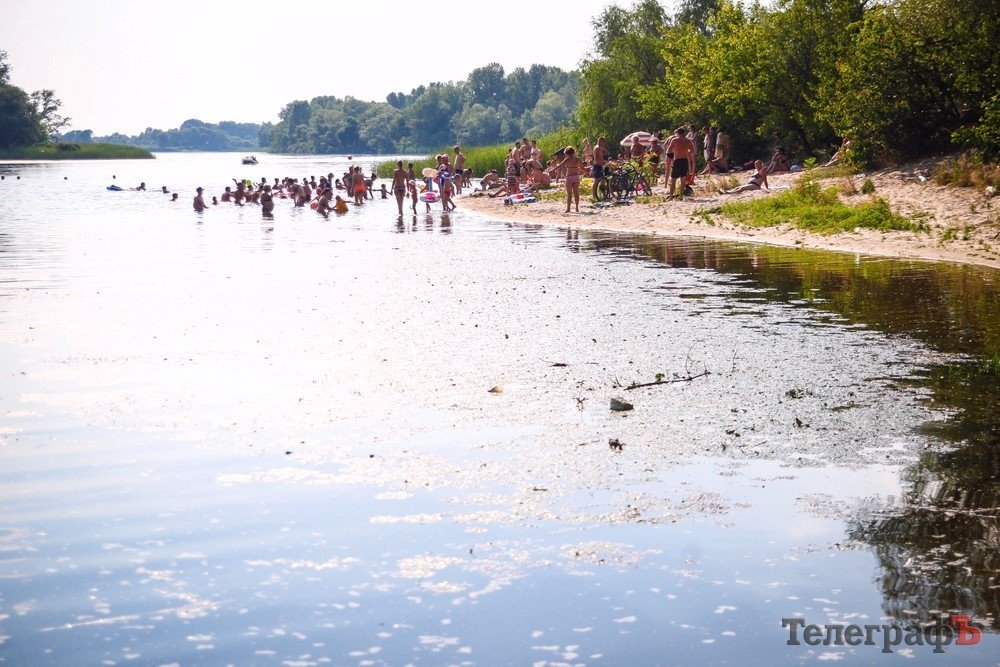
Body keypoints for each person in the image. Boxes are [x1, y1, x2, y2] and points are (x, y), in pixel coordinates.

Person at [664, 127, 696, 200]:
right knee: (683, 180)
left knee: (673, 180)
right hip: (684, 160)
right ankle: (681, 196)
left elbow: (669, 150)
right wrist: (686, 152)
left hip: (677, 160)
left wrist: (675, 152)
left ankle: (671, 196)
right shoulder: (688, 141)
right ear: (684, 133)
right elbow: (692, 151)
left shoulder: (674, 140)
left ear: (677, 133)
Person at [555, 146, 584, 213]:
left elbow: (559, 165)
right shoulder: (577, 159)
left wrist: (552, 170)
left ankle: (568, 209)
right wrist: (586, 173)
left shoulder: (567, 159)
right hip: (576, 176)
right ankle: (577, 208)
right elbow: (582, 167)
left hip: (569, 177)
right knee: (576, 193)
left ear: (566, 153)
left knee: (569, 194)